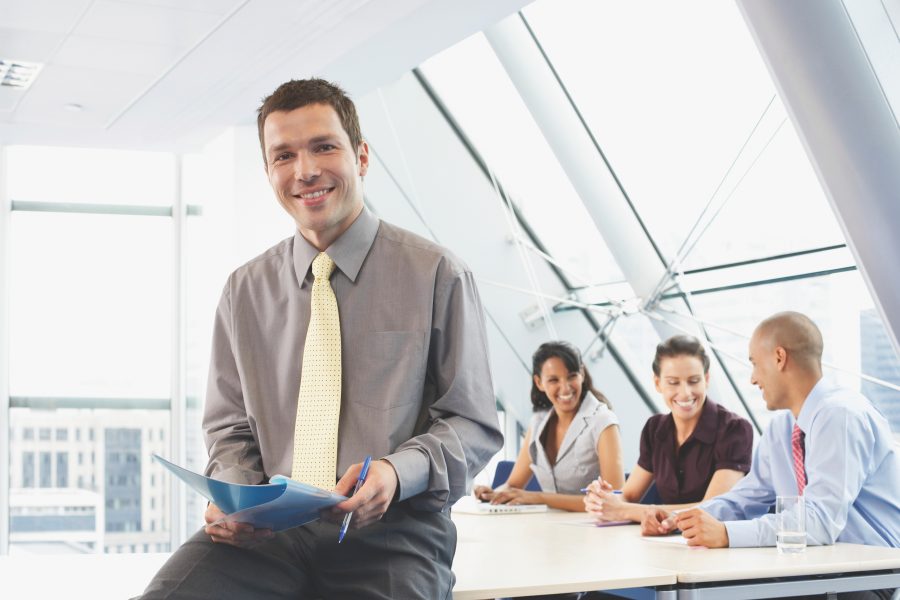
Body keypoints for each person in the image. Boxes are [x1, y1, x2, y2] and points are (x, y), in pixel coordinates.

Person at [136, 78, 503, 599]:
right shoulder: (244, 291)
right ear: (269, 172)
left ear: (362, 156)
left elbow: (471, 422)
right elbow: (229, 426)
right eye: (283, 155)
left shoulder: (436, 274)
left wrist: (397, 474)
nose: (304, 170)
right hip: (266, 536)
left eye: (323, 147)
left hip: (393, 535)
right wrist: (238, 497)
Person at [652, 312, 900, 600]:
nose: (753, 379)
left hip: (870, 577)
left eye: (755, 364)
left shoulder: (840, 415)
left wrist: (727, 534)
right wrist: (683, 519)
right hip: (818, 568)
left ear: (780, 358)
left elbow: (818, 522)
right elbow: (746, 498)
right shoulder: (782, 429)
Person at [584, 335, 752, 530]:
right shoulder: (655, 429)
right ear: (657, 383)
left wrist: (622, 510)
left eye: (694, 381)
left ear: (706, 379)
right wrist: (603, 500)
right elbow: (628, 495)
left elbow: (711, 508)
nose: (685, 392)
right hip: (668, 543)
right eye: (673, 382)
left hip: (720, 548)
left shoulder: (734, 429)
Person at [474, 341, 624, 511]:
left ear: (581, 373)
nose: (565, 388)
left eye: (572, 376)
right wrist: (491, 494)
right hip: (548, 526)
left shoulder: (603, 422)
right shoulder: (538, 422)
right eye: (554, 380)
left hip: (594, 529)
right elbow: (513, 486)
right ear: (539, 382)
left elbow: (616, 499)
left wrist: (538, 497)